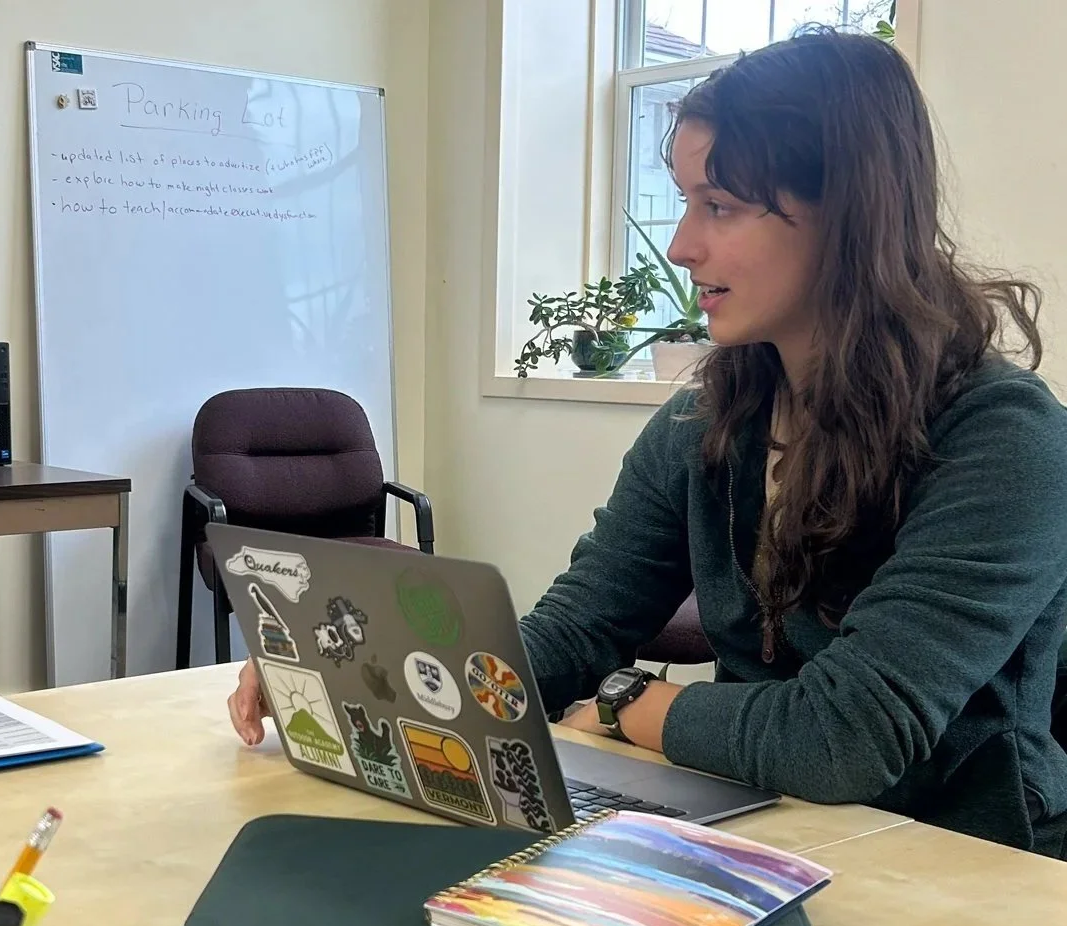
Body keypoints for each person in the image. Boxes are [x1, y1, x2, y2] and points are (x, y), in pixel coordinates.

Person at [230, 30, 1067, 857]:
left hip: (967, 863)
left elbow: (842, 736)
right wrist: (359, 672)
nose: (680, 245)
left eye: (718, 206)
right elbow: (576, 629)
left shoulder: (1005, 440)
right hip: (767, 831)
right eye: (685, 201)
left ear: (849, 214)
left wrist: (632, 702)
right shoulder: (705, 423)